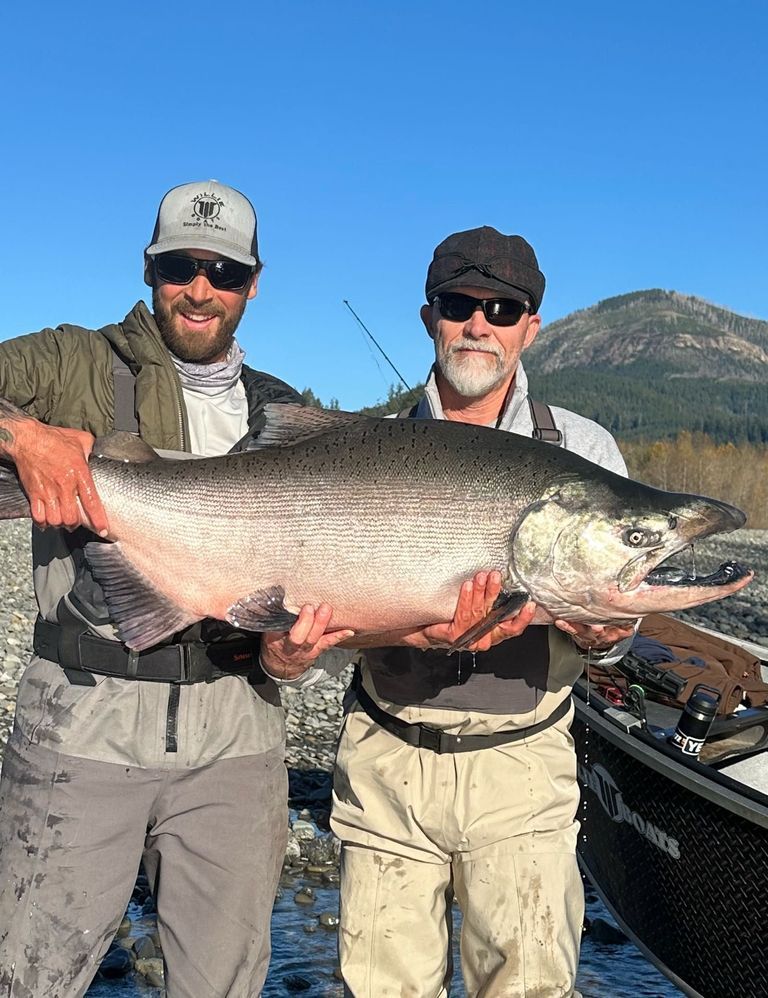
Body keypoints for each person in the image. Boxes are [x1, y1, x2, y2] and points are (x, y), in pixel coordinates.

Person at [0, 180, 348, 998]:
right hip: (81, 727)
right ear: (150, 270)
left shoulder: (284, 412)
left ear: (252, 283)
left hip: (238, 738)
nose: (200, 289)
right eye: (180, 266)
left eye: (222, 271)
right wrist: (21, 436)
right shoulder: (73, 362)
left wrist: (292, 659)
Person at [327, 227, 638, 997]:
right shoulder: (368, 446)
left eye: (503, 308)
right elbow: (327, 622)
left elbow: (618, 626)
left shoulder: (584, 450)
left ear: (531, 326)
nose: (479, 324)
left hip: (523, 764)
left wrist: (606, 635)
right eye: (459, 304)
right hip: (385, 759)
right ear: (429, 316)